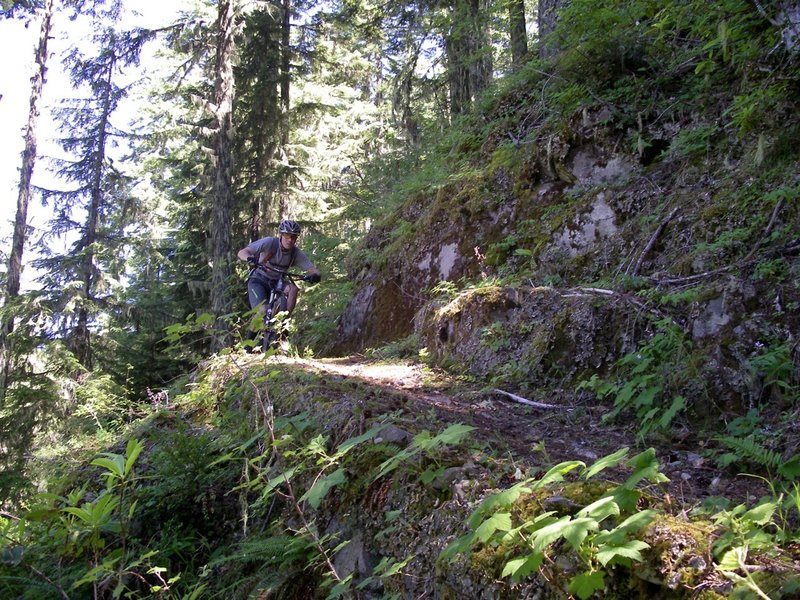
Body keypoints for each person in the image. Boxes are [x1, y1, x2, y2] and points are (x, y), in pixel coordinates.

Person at [237, 219, 321, 319]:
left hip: (277, 283)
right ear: (281, 234)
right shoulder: (270, 243)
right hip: (258, 280)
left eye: (293, 237)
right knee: (263, 310)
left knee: (293, 289)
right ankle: (251, 335)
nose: (290, 239)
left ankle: (283, 323)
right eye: (287, 235)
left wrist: (314, 276)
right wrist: (249, 259)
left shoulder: (295, 253)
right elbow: (243, 252)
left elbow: (312, 269)